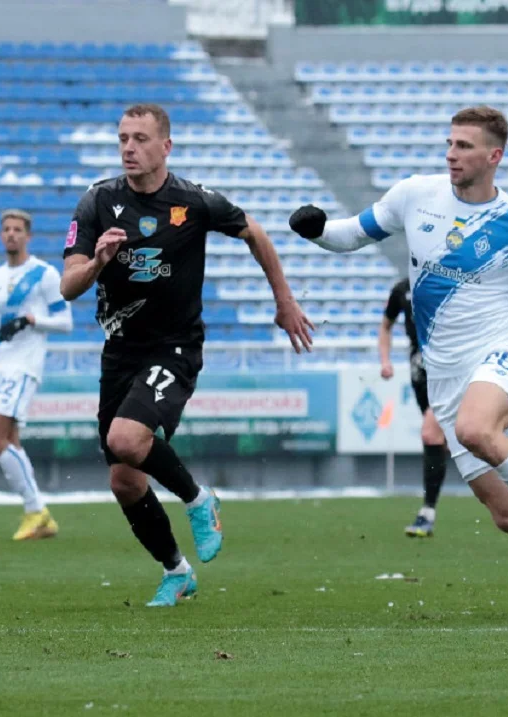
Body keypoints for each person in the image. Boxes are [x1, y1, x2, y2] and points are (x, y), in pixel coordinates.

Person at [288, 106, 508, 614]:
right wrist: (317, 230)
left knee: (476, 429)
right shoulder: (415, 195)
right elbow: (350, 234)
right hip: (445, 376)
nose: (450, 154)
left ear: (493, 156)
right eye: (449, 143)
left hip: (500, 353)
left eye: (463, 146)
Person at [61, 103, 315, 607]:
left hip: (175, 347)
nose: (129, 148)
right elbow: (69, 286)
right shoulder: (97, 201)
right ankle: (177, 571)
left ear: (166, 146)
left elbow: (255, 232)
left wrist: (284, 301)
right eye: (122, 138)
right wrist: (98, 262)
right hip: (120, 351)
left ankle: (200, 499)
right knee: (124, 480)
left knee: (125, 438)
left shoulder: (194, 201)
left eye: (139, 138)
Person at [0, 209, 73, 540]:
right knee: (10, 440)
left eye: (17, 229)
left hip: (24, 366)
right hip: (1, 365)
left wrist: (31, 320)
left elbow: (65, 322)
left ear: (28, 236)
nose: (11, 234)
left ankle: (36, 510)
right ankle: (39, 518)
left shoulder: (43, 274)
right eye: (6, 229)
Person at [378, 278, 449, 537]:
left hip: (449, 371)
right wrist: (385, 361)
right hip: (420, 374)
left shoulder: (448, 278)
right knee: (443, 441)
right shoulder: (402, 289)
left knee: (431, 433)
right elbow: (385, 325)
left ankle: (427, 513)